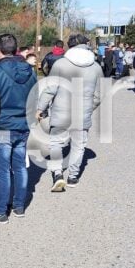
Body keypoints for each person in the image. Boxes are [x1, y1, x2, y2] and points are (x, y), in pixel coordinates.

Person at [0, 34, 37, 223]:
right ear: (16, 48)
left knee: (3, 170)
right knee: (20, 166)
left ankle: (0, 212)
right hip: (23, 124)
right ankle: (19, 206)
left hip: (4, 125)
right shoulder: (30, 70)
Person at [36, 34, 102, 191]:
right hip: (82, 113)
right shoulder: (96, 67)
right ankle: (73, 176)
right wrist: (88, 107)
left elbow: (50, 89)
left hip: (60, 113)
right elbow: (98, 96)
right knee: (79, 146)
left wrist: (41, 108)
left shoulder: (61, 64)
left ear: (70, 46)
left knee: (56, 143)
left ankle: (58, 174)